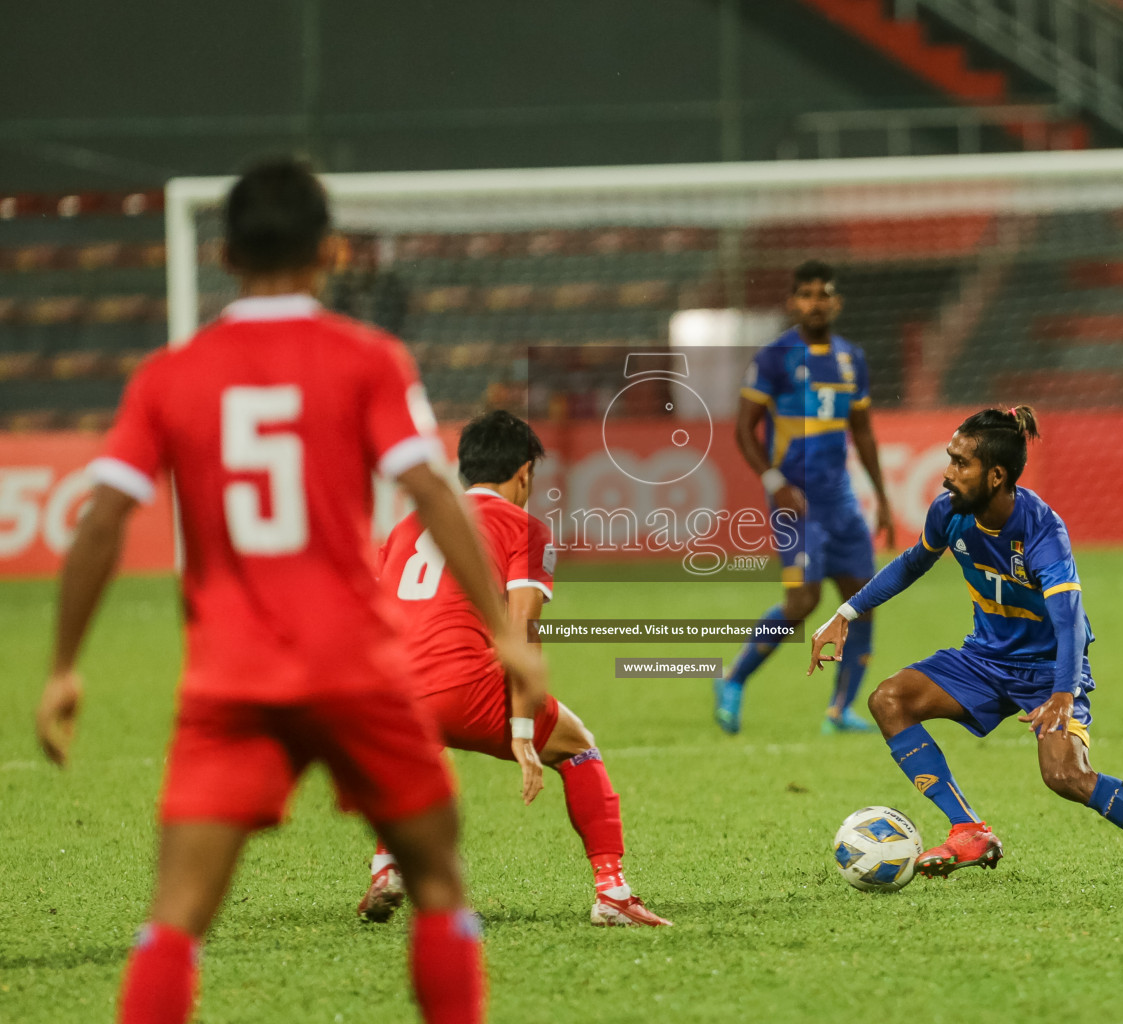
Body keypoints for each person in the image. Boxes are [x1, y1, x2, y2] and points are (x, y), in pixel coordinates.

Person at [33, 158, 548, 1024]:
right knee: (436, 882)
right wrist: (503, 635)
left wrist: (61, 666)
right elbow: (432, 493)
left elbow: (102, 521)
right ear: (332, 252)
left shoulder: (170, 375)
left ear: (225, 254)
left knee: (176, 917)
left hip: (231, 678)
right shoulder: (368, 360)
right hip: (357, 668)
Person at [807, 406, 1123, 885]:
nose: (947, 473)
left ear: (996, 475)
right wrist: (845, 614)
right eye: (949, 459)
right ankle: (968, 830)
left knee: (1065, 776)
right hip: (983, 659)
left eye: (961, 463)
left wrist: (1063, 693)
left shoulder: (1042, 530)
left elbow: (1068, 621)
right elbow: (911, 563)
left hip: (1048, 671)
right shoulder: (949, 513)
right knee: (889, 699)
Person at [359, 410, 672, 928]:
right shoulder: (522, 527)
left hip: (393, 690)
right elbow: (524, 629)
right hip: (463, 686)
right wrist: (522, 732)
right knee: (578, 747)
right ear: (524, 472)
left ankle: (385, 867)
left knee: (417, 751)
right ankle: (612, 892)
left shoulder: (409, 523)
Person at [715, 260, 894, 735]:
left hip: (841, 501)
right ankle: (732, 679)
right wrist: (774, 481)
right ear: (793, 302)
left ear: (837, 301)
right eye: (807, 294)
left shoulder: (852, 358)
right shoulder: (775, 357)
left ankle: (840, 711)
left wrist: (883, 498)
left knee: (863, 601)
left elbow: (863, 431)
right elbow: (742, 429)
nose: (816, 302)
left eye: (824, 293)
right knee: (802, 603)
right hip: (796, 501)